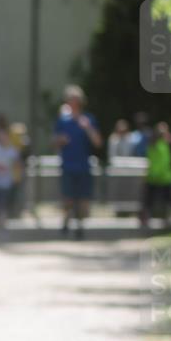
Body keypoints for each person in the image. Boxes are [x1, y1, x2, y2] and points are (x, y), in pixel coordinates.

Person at [52, 85, 100, 239]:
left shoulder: (88, 120)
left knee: (83, 199)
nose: (72, 102)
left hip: (83, 166)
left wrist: (88, 128)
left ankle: (79, 225)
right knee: (68, 198)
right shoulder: (63, 121)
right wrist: (59, 141)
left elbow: (98, 143)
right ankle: (66, 220)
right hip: (67, 166)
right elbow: (53, 142)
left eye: (74, 99)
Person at [141, 121, 171, 228]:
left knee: (152, 200)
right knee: (167, 199)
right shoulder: (162, 146)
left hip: (155, 177)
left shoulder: (152, 145)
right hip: (162, 177)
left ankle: (147, 218)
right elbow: (163, 162)